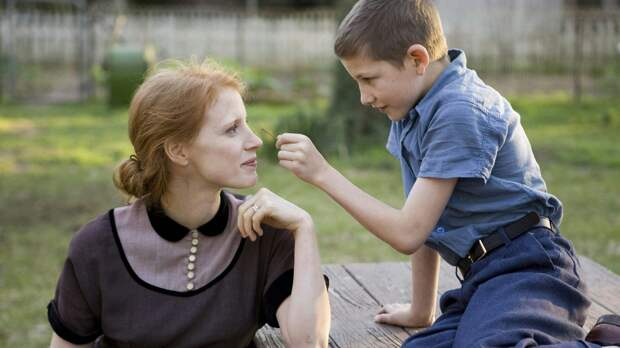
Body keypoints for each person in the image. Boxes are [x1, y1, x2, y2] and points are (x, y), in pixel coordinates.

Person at [273, 0, 620, 347]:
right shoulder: (411, 114)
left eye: (369, 79)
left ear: (417, 59)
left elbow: (408, 233)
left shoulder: (460, 110)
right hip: (484, 279)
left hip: (531, 270)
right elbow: (425, 225)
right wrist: (421, 311)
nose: (364, 97)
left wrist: (322, 173)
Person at [47, 60, 330, 348]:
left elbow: (310, 343)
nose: (255, 140)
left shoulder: (264, 230)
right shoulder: (97, 247)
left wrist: (303, 227)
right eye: (233, 129)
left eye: (246, 124)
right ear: (178, 151)